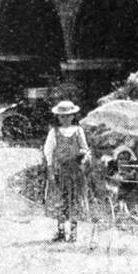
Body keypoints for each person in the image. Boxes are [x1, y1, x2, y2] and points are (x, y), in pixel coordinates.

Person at [43, 100, 90, 243]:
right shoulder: (54, 132)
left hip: (75, 170)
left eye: (68, 116)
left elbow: (84, 147)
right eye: (62, 116)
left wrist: (82, 154)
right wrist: (50, 169)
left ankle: (74, 232)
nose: (65, 118)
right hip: (60, 170)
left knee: (75, 199)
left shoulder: (78, 131)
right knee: (60, 199)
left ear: (73, 116)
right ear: (57, 117)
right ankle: (61, 231)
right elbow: (48, 151)